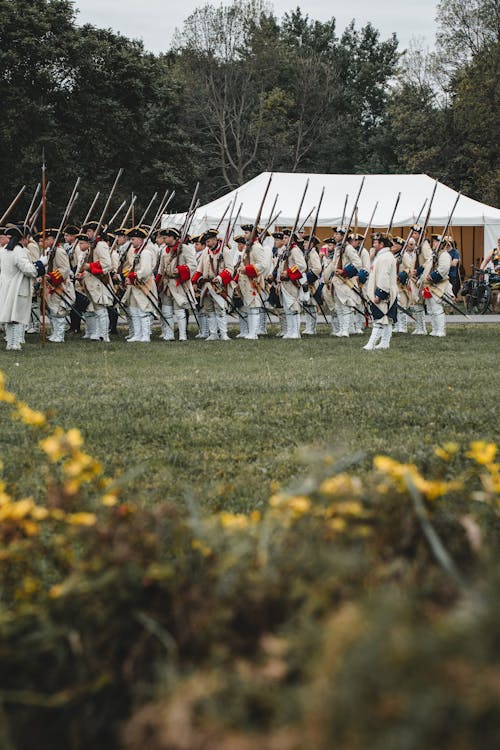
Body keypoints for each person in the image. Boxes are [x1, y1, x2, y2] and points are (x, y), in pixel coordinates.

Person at [0, 225, 48, 350]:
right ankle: (14, 343)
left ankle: (11, 343)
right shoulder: (18, 251)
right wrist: (40, 263)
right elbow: (29, 270)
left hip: (6, 286)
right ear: (23, 238)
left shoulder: (4, 250)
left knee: (10, 317)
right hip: (17, 287)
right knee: (16, 317)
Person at [191, 228, 234, 341]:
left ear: (214, 240)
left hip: (219, 285)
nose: (207, 243)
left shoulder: (224, 250)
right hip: (207, 285)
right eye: (206, 242)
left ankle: (224, 334)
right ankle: (213, 333)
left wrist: (219, 278)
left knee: (220, 309)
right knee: (209, 310)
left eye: (209, 241)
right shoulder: (206, 251)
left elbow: (230, 269)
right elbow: (200, 268)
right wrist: (194, 281)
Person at [156, 227, 196, 341]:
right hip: (166, 283)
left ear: (173, 237)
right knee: (166, 311)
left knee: (180, 311)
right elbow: (161, 268)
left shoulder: (184, 248)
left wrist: (181, 270)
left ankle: (182, 335)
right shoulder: (164, 250)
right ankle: (169, 334)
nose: (164, 239)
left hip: (179, 283)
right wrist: (157, 282)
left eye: (166, 237)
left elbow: (193, 264)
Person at [76, 229, 113, 342]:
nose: (87, 234)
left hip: (99, 281)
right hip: (92, 281)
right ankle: (98, 333)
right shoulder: (93, 245)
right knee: (97, 310)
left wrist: (89, 266)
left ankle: (104, 335)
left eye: (89, 231)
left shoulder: (101, 245)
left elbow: (107, 264)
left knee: (101, 310)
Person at [363, 233, 397, 350]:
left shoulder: (385, 257)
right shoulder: (383, 256)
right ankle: (384, 342)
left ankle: (371, 344)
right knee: (386, 319)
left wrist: (380, 294)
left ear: (381, 244)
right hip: (384, 291)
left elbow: (384, 277)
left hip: (383, 292)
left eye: (375, 242)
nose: (373, 245)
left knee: (380, 319)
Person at [42, 228, 75, 343]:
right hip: (52, 284)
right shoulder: (50, 251)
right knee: (53, 310)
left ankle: (60, 335)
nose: (44, 241)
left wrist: (51, 276)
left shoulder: (59, 251)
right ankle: (55, 333)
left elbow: (65, 269)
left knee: (59, 311)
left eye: (46, 239)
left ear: (52, 239)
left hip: (60, 284)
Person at [236, 224, 267, 340]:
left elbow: (263, 265)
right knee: (249, 306)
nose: (244, 235)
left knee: (254, 306)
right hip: (245, 281)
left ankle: (253, 333)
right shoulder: (248, 247)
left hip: (253, 280)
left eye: (247, 233)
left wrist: (246, 269)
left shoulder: (257, 247)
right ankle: (251, 331)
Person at [420, 234, 453, 337]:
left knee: (437, 307)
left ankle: (441, 330)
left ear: (441, 244)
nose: (433, 243)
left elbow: (444, 268)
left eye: (436, 242)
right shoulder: (434, 255)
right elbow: (427, 265)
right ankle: (435, 329)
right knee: (430, 308)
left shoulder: (444, 255)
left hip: (439, 284)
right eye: (433, 242)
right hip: (430, 285)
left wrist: (432, 276)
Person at [276, 230, 306, 339]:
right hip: (284, 282)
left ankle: (296, 332)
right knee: (287, 308)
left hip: (292, 281)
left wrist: (288, 272)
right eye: (283, 238)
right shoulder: (285, 250)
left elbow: (302, 266)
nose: (284, 240)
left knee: (294, 307)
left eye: (286, 238)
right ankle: (290, 331)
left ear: (291, 239)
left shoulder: (295, 250)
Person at [302, 234, 323, 336]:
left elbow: (317, 269)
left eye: (306, 242)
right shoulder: (308, 253)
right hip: (307, 281)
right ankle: (308, 327)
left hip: (312, 282)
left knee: (312, 304)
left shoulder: (313, 253)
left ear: (311, 244)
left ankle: (312, 328)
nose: (304, 244)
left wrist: (307, 277)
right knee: (307, 304)